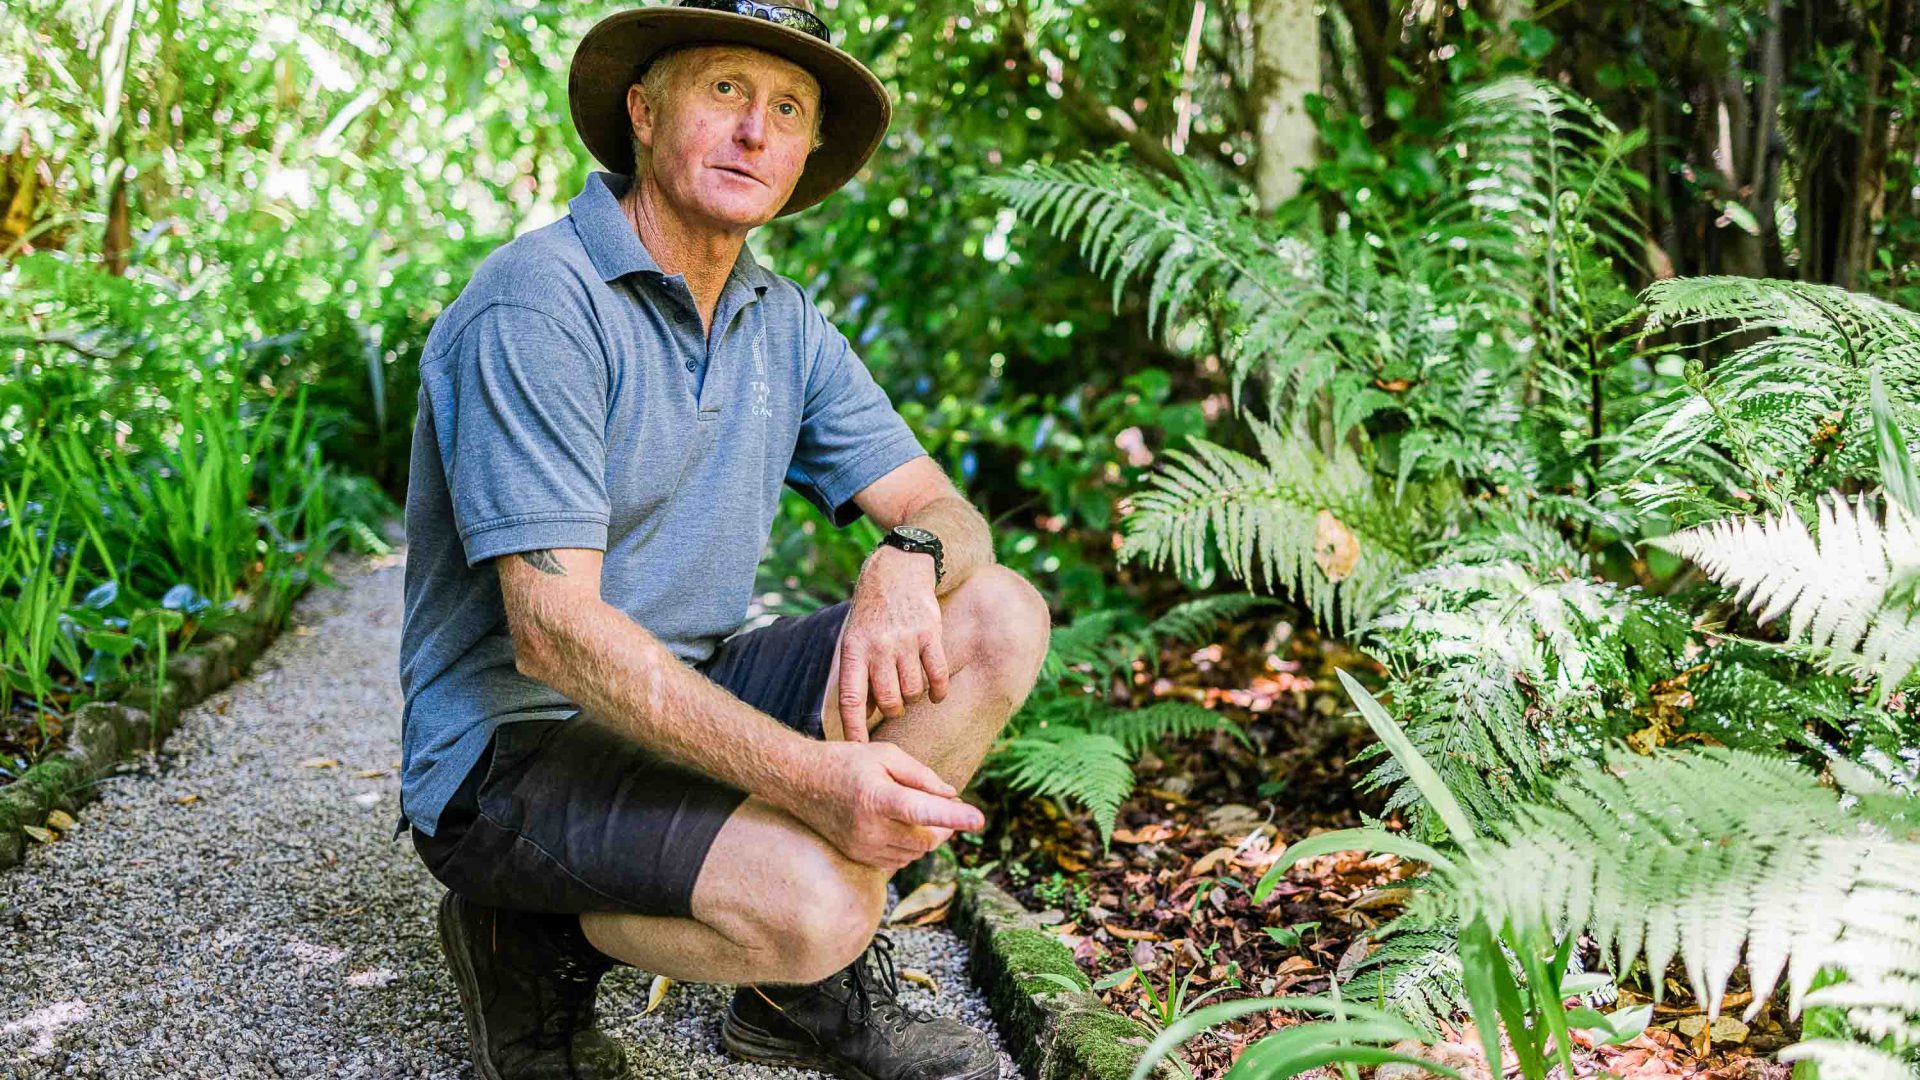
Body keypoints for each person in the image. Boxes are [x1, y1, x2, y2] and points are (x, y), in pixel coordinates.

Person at [393, 1, 1051, 1077]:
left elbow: (949, 513)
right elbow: (553, 638)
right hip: (513, 748)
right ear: (645, 113)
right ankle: (524, 934)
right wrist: (812, 784)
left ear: (802, 157)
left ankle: (789, 1005)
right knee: (817, 906)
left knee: (1000, 613)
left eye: (787, 108)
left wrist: (907, 563)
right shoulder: (535, 304)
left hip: (686, 690)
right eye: (727, 92)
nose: (756, 130)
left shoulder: (780, 321)